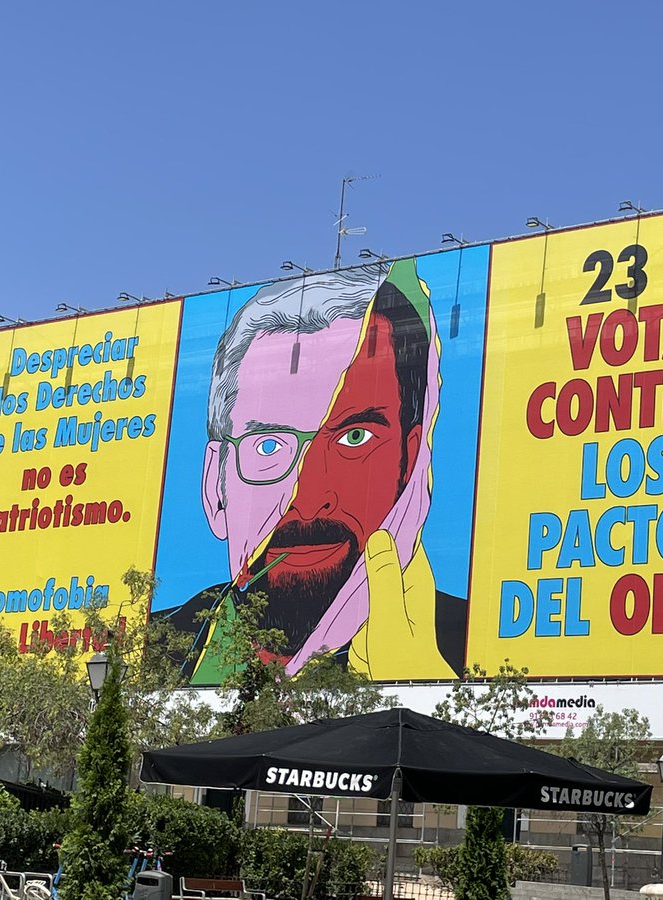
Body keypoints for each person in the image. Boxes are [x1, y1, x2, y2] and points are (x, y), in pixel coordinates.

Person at [165, 261, 466, 682]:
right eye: (268, 445)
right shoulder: (154, 654)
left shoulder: (462, 649)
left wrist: (417, 692)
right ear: (216, 487)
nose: (309, 500)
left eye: (355, 438)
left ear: (409, 463)